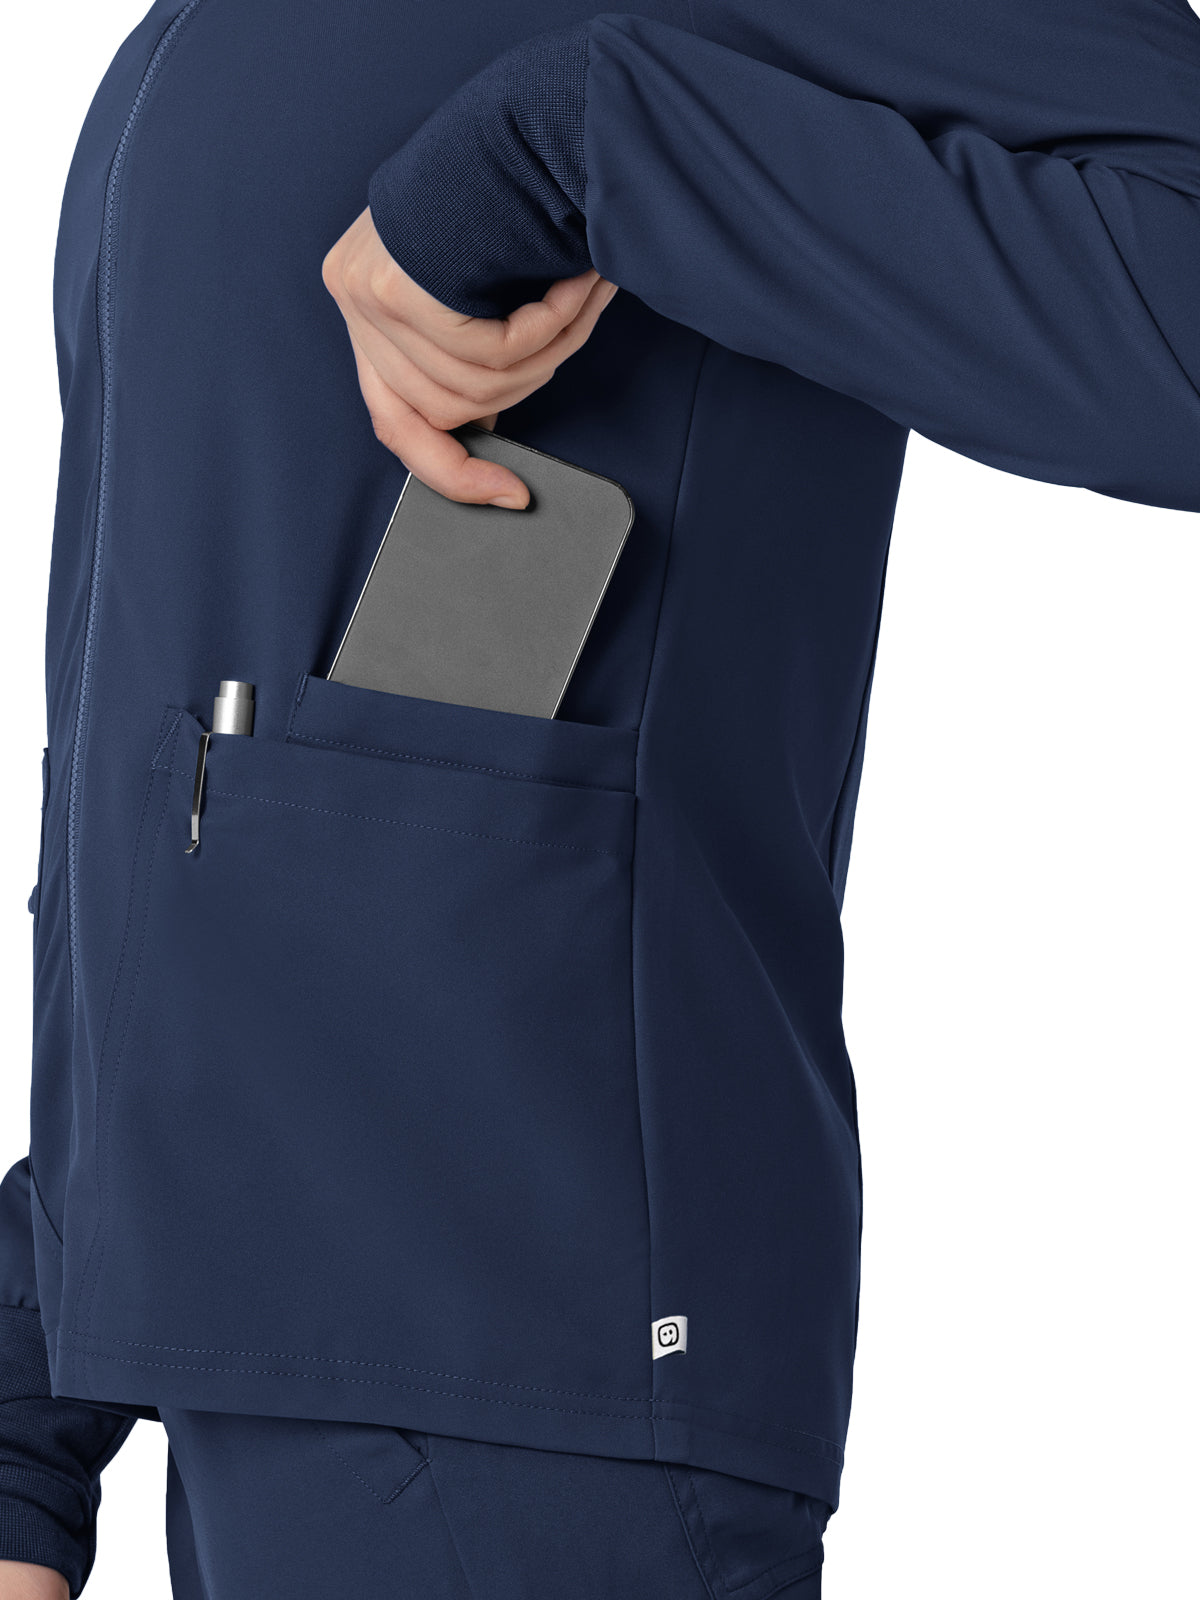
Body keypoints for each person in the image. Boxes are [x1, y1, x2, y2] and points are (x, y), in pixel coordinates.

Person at [2, 1, 1197, 1595]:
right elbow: (165, 734)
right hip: (239, 1338)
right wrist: (35, 1355)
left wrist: (576, 138)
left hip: (527, 1349)